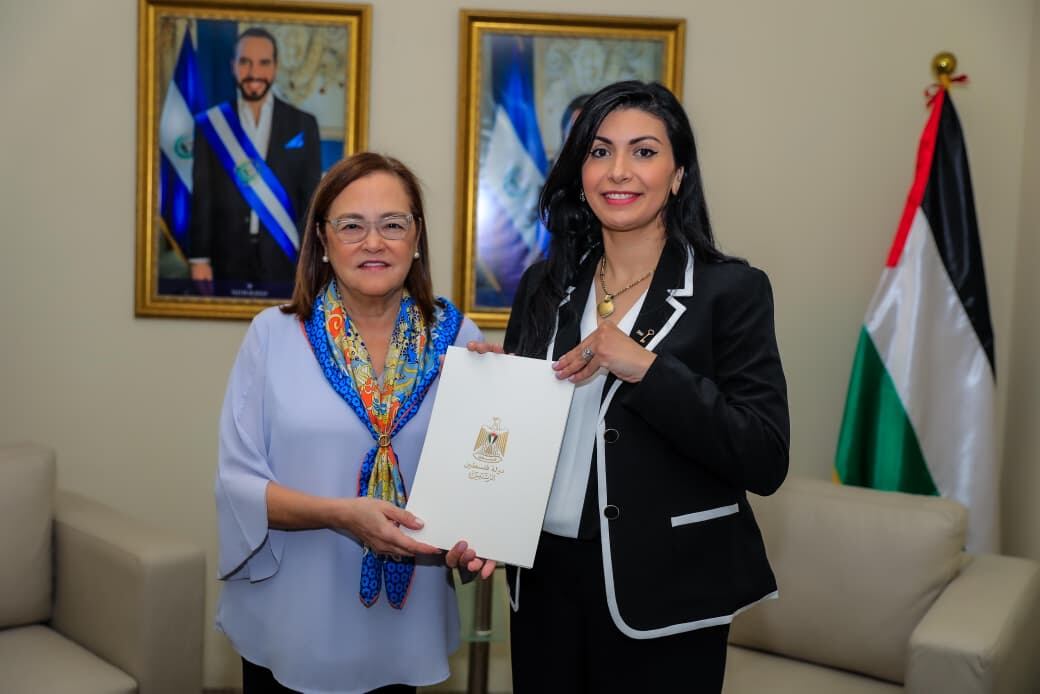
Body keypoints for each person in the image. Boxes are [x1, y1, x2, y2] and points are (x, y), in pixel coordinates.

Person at [469, 81, 790, 693]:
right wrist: (498, 387)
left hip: (669, 591)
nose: (618, 171)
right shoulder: (543, 285)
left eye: (643, 152)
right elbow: (518, 439)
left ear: (678, 174)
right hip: (543, 584)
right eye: (599, 151)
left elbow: (765, 456)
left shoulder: (733, 291)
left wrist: (647, 367)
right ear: (578, 171)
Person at [215, 152, 494, 694]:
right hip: (291, 619)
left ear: (416, 238)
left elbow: (477, 481)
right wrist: (341, 515)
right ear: (323, 240)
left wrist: (503, 399)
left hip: (402, 625)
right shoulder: (272, 336)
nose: (374, 243)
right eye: (352, 226)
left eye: (393, 224)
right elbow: (238, 488)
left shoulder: (459, 340)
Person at [189, 27, 322, 298]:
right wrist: (199, 259)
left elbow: (311, 199)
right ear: (233, 66)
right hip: (224, 257)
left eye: (263, 62)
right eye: (245, 62)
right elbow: (202, 195)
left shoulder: (304, 125)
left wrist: (310, 262)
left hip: (284, 259)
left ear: (274, 68)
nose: (254, 72)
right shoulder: (210, 124)